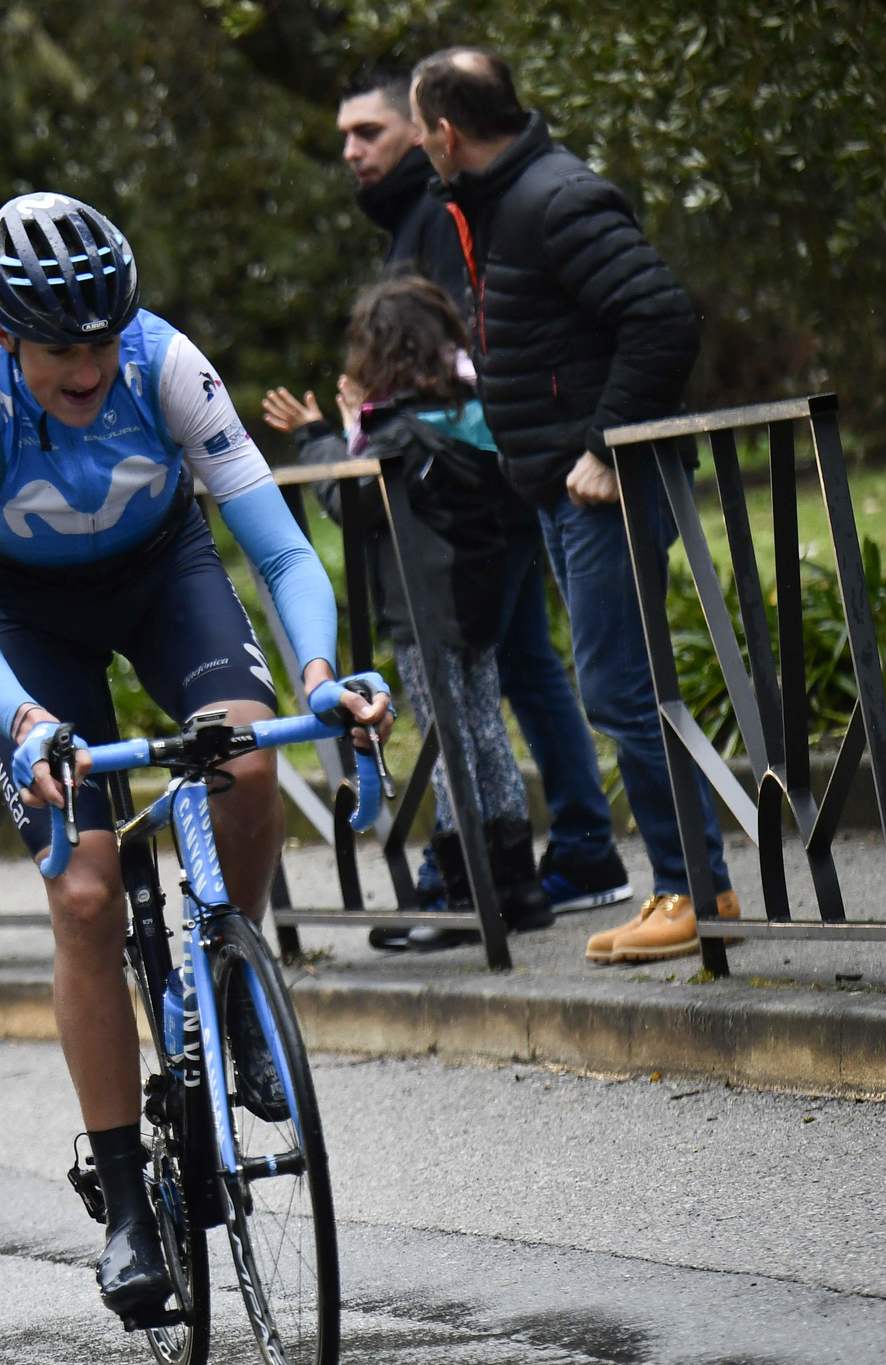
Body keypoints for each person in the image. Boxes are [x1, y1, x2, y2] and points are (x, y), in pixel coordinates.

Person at [0, 192, 390, 1317]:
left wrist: (319, 674)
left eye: (97, 342)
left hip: (159, 571)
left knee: (247, 758)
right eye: (57, 350)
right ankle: (126, 1201)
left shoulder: (165, 362)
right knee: (84, 896)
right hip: (26, 620)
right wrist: (29, 724)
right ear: (4, 334)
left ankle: (229, 979)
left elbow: (278, 551)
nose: (85, 370)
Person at [264, 65, 628, 943]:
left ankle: (484, 877)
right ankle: (539, 863)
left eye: (372, 133)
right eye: (344, 137)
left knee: (471, 710)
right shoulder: (424, 219)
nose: (351, 151)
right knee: (508, 684)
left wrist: (337, 436)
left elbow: (412, 439)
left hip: (452, 547)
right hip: (490, 515)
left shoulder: (443, 214)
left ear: (426, 134)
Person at [410, 47, 738, 961]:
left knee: (624, 692)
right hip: (558, 485)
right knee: (622, 690)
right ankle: (696, 886)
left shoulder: (554, 199)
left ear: (444, 132)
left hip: (603, 485)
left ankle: (692, 891)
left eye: (416, 129)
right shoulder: (504, 202)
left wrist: (604, 444)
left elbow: (664, 316)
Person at [308, 277, 553, 940]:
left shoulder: (399, 430)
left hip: (422, 609)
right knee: (484, 728)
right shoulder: (472, 407)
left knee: (448, 743)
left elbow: (354, 504)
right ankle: (517, 886)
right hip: (479, 598)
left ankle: (464, 892)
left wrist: (320, 438)